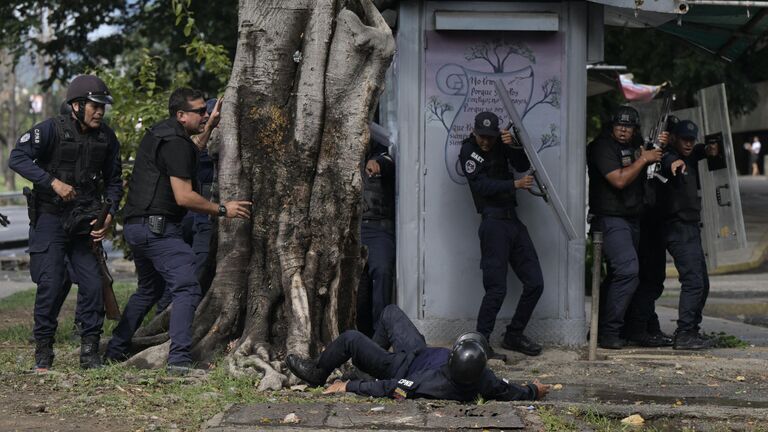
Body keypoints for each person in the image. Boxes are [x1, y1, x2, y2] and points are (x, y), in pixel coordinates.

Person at [104, 88, 251, 373]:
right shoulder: (176, 142)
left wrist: (208, 128)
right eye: (199, 111)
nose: (205, 113)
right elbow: (184, 197)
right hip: (157, 230)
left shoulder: (164, 134)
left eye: (205, 111)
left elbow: (186, 155)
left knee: (149, 290)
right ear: (181, 115)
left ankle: (116, 348)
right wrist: (223, 209)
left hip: (137, 227)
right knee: (186, 287)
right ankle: (179, 360)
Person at [9, 74, 123, 370]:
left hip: (84, 221)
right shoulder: (50, 129)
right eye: (94, 106)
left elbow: (114, 181)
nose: (99, 111)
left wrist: (109, 213)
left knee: (93, 284)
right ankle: (44, 353)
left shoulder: (106, 137)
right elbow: (17, 158)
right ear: (76, 105)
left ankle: (89, 352)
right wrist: (52, 183)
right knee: (51, 283)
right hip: (50, 217)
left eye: (102, 107)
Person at [286, 304, 549, 401]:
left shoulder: (429, 383)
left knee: (351, 339)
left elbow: (392, 387)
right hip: (418, 351)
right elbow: (509, 390)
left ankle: (317, 373)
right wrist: (534, 390)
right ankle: (366, 364)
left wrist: (351, 386)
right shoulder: (484, 378)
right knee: (391, 313)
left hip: (398, 366)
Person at [457, 112, 545, 360]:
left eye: (490, 137)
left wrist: (512, 144)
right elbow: (481, 186)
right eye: (482, 136)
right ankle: (481, 343)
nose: (486, 142)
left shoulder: (500, 144)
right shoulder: (469, 151)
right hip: (493, 222)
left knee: (535, 282)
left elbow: (521, 165)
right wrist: (514, 185)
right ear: (474, 132)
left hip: (512, 220)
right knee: (496, 289)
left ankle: (514, 334)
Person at [587, 106, 662, 349]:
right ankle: (609, 332)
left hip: (631, 219)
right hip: (609, 218)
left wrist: (659, 146)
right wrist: (643, 159)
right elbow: (618, 180)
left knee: (620, 276)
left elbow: (653, 154)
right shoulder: (602, 147)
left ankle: (604, 330)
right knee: (628, 271)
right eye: (619, 125)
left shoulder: (638, 143)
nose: (623, 130)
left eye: (628, 126)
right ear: (612, 126)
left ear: (634, 129)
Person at [156, 97, 221, 313]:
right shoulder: (191, 143)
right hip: (192, 215)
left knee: (197, 267)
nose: (208, 121)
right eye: (206, 117)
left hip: (204, 216)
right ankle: (165, 312)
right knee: (187, 268)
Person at [658, 120, 717, 349]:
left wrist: (709, 148)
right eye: (685, 139)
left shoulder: (690, 153)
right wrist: (673, 162)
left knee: (702, 282)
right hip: (677, 227)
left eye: (692, 139)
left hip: (691, 228)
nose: (689, 143)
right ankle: (684, 334)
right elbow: (666, 160)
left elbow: (699, 150)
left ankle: (691, 329)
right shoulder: (668, 155)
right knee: (693, 281)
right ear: (673, 138)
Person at [356, 123, 396, 336]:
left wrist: (377, 163)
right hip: (353, 228)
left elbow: (387, 162)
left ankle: (381, 335)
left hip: (379, 227)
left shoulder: (383, 151)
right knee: (356, 283)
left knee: (382, 272)